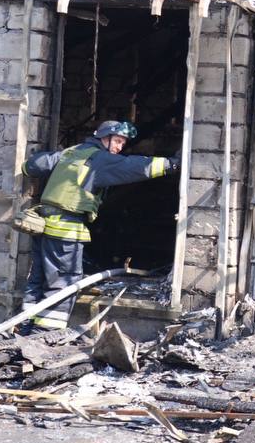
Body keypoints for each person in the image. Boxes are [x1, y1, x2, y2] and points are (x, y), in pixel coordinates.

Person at [21, 121, 179, 329]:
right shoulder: (100, 159)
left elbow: (33, 166)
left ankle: (23, 326)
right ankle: (45, 332)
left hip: (43, 226)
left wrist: (28, 163)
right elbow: (134, 166)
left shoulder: (72, 152)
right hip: (65, 229)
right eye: (118, 141)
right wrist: (172, 164)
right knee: (64, 281)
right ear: (104, 138)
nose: (120, 147)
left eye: (123, 143)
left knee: (38, 278)